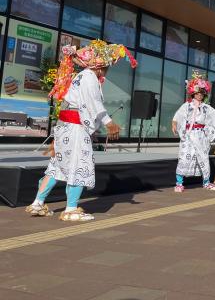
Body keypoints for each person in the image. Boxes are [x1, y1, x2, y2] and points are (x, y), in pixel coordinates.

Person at [26, 40, 136, 221]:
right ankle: (70, 209)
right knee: (79, 164)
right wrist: (109, 123)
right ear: (100, 66)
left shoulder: (80, 76)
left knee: (57, 166)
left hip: (65, 126)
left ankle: (38, 203)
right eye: (107, 66)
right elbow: (93, 104)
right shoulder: (89, 78)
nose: (108, 70)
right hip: (75, 128)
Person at [172, 71, 215, 192]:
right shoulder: (186, 106)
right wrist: (174, 123)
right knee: (184, 158)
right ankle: (179, 183)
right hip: (189, 135)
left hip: (200, 136)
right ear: (193, 93)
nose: (200, 95)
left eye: (202, 93)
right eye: (198, 93)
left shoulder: (207, 108)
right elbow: (178, 116)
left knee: (203, 158)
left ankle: (206, 182)